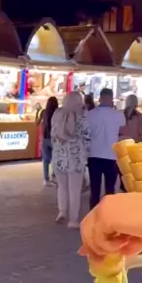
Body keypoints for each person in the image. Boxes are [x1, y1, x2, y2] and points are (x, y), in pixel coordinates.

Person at [51, 91, 91, 228]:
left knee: (61, 187)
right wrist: (87, 152)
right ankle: (73, 220)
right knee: (75, 190)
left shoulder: (57, 114)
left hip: (59, 156)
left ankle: (62, 212)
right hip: (75, 157)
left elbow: (52, 133)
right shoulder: (82, 116)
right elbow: (87, 136)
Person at [87, 87, 125, 209]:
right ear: (111, 98)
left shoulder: (90, 114)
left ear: (100, 98)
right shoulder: (118, 115)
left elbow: (86, 134)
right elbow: (122, 132)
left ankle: (93, 214)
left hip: (94, 155)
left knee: (94, 190)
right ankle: (108, 214)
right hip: (112, 156)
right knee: (110, 190)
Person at [38, 96, 58, 186]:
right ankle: (54, 176)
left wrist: (37, 112)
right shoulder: (57, 113)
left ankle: (46, 179)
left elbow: (37, 123)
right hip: (54, 138)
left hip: (45, 138)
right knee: (55, 158)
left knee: (45, 160)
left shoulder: (43, 112)